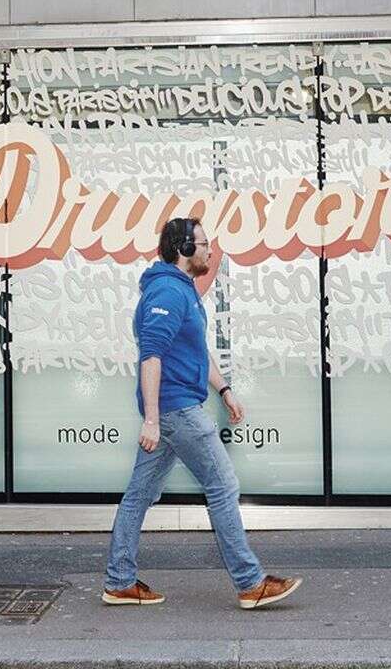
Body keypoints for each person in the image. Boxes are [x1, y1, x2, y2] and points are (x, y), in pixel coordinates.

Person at [102, 217, 302, 610]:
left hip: (175, 408)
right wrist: (152, 420)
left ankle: (119, 581)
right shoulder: (167, 293)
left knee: (139, 495)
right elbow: (151, 357)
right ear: (184, 249)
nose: (211, 250)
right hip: (177, 411)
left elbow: (195, 351)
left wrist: (225, 390)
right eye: (205, 244)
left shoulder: (184, 291)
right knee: (223, 486)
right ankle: (250, 582)